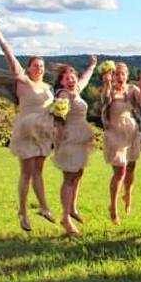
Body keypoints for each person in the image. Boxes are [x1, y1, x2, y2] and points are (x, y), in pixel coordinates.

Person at [0, 22, 57, 232]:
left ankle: (44, 207)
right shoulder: (22, 80)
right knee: (26, 172)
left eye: (42, 66)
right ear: (28, 67)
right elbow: (9, 54)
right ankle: (22, 212)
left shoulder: (48, 87)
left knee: (39, 171)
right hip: (26, 130)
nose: (39, 69)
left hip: (44, 131)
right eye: (36, 65)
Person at [51, 56, 97, 236]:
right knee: (70, 177)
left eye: (73, 77)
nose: (71, 80)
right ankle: (65, 218)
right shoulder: (64, 94)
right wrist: (60, 131)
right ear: (61, 81)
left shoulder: (76, 90)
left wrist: (92, 66)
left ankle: (72, 208)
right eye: (67, 78)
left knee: (78, 173)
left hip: (80, 138)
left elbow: (85, 79)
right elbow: (58, 115)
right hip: (70, 138)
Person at [101, 61, 141, 225]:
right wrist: (107, 83)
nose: (120, 77)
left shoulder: (132, 89)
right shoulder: (110, 89)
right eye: (117, 74)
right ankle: (113, 209)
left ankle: (128, 193)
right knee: (120, 171)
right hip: (115, 133)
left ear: (127, 75)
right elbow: (105, 99)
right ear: (113, 75)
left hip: (131, 131)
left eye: (123, 74)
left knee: (130, 168)